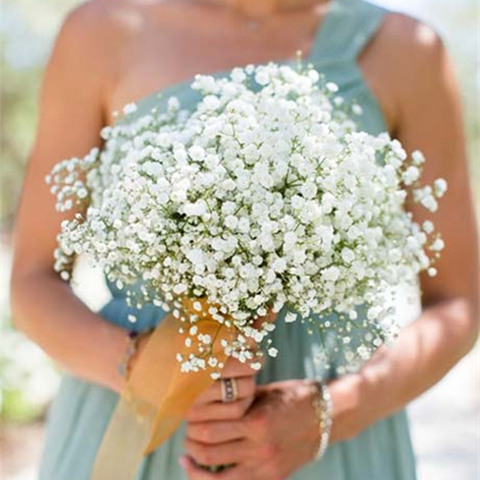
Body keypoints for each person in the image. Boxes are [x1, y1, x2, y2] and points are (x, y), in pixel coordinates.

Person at [10, 0, 479, 479]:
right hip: (134, 418)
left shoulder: (406, 50)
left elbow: (459, 304)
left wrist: (333, 412)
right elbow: (32, 280)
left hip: (322, 441)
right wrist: (143, 368)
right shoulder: (105, 30)